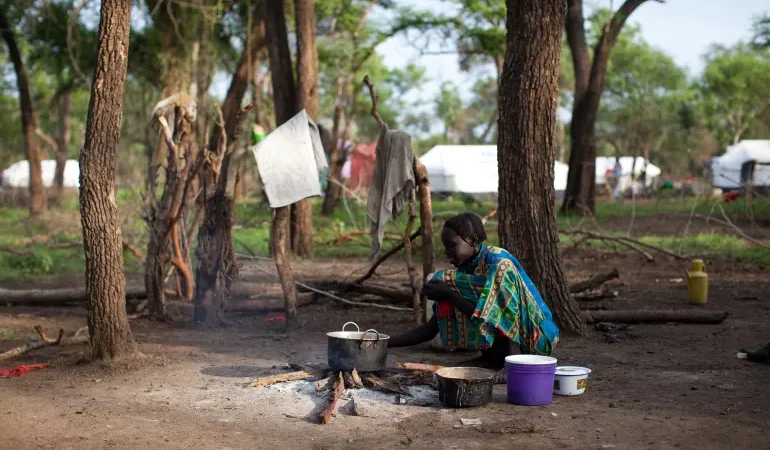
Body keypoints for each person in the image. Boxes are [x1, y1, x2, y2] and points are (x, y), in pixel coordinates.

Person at [388, 213, 559, 369]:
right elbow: (431, 329)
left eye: (451, 245)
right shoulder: (464, 272)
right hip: (506, 347)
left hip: (536, 340)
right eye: (445, 246)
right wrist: (383, 341)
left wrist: (449, 295)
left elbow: (507, 316)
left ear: (473, 240)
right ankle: (493, 358)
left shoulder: (499, 262)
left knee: (453, 281)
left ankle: (512, 365)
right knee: (444, 281)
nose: (447, 252)